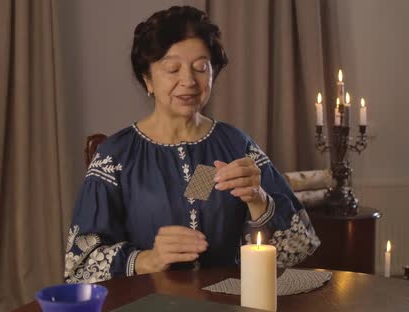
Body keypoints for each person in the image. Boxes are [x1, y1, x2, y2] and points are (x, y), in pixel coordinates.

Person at [64, 6, 320, 284]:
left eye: (200, 68)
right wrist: (148, 259)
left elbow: (299, 247)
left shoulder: (236, 144)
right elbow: (79, 267)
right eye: (172, 69)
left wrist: (259, 200)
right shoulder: (115, 156)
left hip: (228, 300)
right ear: (147, 78)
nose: (188, 81)